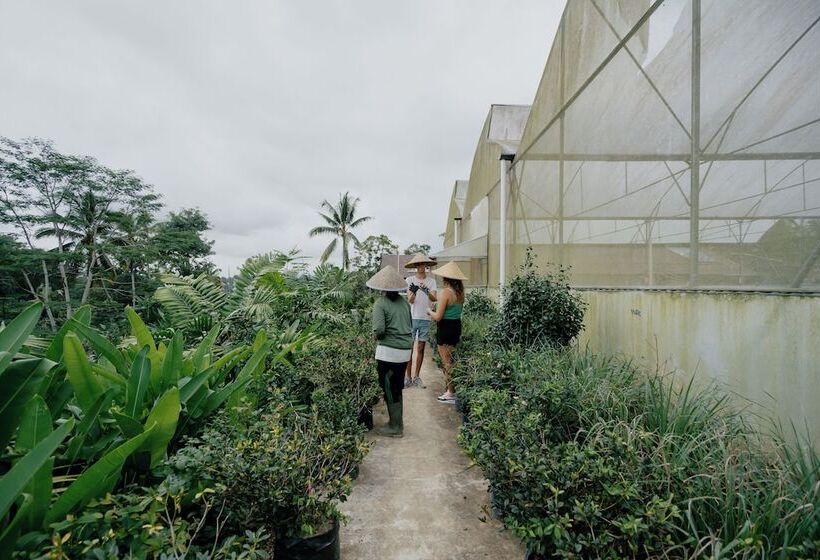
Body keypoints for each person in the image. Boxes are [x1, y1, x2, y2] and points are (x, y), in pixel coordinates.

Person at [367, 265, 413, 437]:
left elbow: (379, 330)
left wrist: (374, 337)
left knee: (388, 387)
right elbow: (409, 324)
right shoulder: (405, 303)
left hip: (389, 352)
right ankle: (396, 422)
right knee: (397, 387)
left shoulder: (380, 303)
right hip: (404, 351)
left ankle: (396, 427)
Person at [427, 261, 467, 404]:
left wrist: (429, 311)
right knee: (451, 360)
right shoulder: (460, 293)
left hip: (445, 328)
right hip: (456, 326)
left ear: (446, 278)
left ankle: (451, 393)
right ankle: (450, 390)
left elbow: (438, 317)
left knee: (447, 362)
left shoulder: (445, 292)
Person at [403, 253, 437, 388]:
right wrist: (415, 291)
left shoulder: (431, 281)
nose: (421, 267)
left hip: (425, 318)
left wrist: (425, 290)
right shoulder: (410, 280)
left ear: (426, 266)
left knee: (421, 348)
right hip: (412, 317)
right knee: (409, 349)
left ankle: (417, 377)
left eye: (423, 264)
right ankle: (408, 377)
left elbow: (434, 298)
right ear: (416, 266)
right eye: (419, 265)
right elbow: (410, 300)